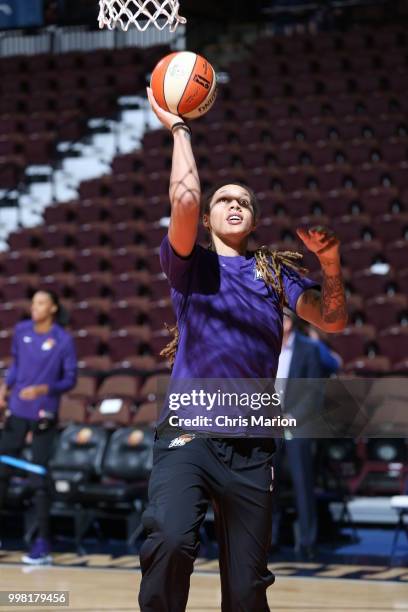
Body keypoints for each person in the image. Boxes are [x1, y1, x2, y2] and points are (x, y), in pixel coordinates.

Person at [138, 86, 348, 612]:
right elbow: (183, 198)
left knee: (248, 588)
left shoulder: (275, 275)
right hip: (189, 434)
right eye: (224, 200)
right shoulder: (191, 266)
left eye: (244, 201)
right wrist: (180, 128)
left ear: (253, 221)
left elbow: (334, 321)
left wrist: (332, 266)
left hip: (253, 447)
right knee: (169, 538)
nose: (234, 204)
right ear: (208, 220)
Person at [0, 290, 77, 564]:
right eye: (33, 302)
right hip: (18, 412)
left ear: (53, 308)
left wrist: (46, 388)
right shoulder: (21, 331)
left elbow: (70, 380)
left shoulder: (63, 340)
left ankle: (42, 543)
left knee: (38, 478)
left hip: (44, 414)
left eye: (41, 302)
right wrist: (4, 387)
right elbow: (16, 365)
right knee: (2, 471)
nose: (35, 307)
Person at [272, 311, 341, 560]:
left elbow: (314, 391)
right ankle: (270, 541)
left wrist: (292, 416)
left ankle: (308, 542)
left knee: (303, 483)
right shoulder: (265, 346)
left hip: (296, 423)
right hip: (268, 422)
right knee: (268, 484)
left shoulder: (309, 349)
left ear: (290, 323)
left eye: (281, 319)